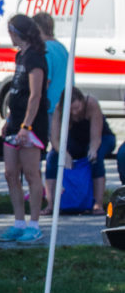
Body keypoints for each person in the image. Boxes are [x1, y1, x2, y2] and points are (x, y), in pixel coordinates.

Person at [0, 14, 49, 242]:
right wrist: (9, 119)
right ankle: (19, 222)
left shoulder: (36, 58)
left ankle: (34, 224)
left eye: (10, 32)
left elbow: (35, 94)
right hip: (14, 122)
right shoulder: (20, 56)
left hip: (30, 125)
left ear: (18, 33)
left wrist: (26, 126)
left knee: (31, 173)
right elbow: (17, 91)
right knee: (10, 173)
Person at [44, 87, 115, 215]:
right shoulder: (59, 109)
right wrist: (64, 154)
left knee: (95, 157)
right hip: (76, 141)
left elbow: (96, 137)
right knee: (52, 157)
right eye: (71, 110)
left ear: (82, 101)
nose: (75, 112)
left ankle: (98, 204)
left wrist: (93, 150)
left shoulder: (91, 103)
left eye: (77, 108)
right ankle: (51, 204)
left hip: (102, 138)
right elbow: (54, 139)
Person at [32, 12, 68, 116]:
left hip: (50, 107)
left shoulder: (45, 49)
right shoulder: (61, 47)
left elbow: (45, 82)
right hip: (64, 105)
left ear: (38, 29)